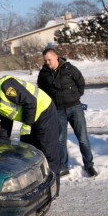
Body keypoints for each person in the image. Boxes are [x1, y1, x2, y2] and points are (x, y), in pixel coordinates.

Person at [0, 76, 61, 193]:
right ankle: (36, 188)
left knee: (49, 153)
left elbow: (30, 101)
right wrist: (3, 141)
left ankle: (53, 191)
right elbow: (6, 121)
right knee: (27, 153)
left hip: (44, 111)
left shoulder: (6, 86)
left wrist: (27, 125)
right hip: (31, 117)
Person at [38, 47, 97, 177]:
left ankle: (89, 165)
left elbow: (80, 82)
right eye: (45, 60)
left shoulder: (69, 68)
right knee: (60, 140)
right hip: (57, 110)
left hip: (75, 108)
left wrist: (76, 97)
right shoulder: (43, 73)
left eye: (49, 59)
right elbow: (41, 92)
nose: (47, 62)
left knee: (82, 138)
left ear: (56, 57)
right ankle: (64, 166)